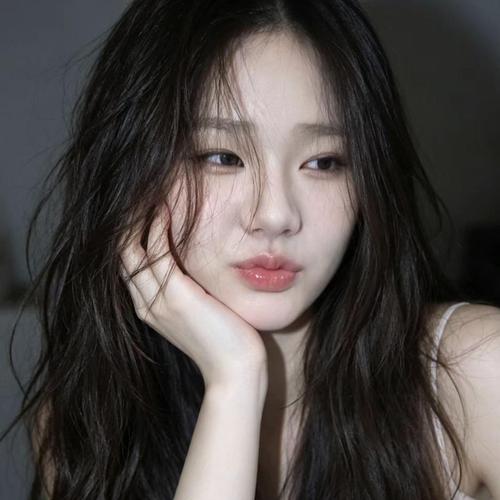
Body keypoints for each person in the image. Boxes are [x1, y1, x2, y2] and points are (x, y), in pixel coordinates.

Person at [2, 0, 499, 499]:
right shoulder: (84, 423)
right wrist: (234, 380)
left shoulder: (478, 373)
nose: (275, 215)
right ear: (129, 172)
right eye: (222, 157)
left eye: (325, 162)